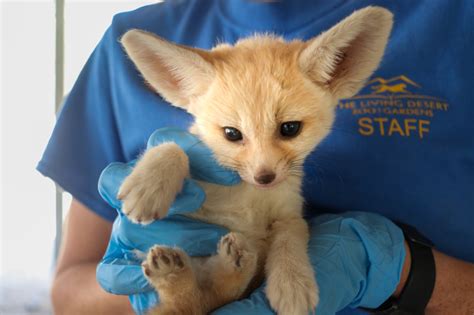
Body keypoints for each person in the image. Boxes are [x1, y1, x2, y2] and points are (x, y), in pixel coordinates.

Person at [37, 1, 474, 314]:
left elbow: (285, 223)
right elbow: (68, 297)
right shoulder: (125, 48)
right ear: (176, 85)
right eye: (233, 136)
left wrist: (400, 272)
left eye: (288, 131)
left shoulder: (458, 17)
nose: (264, 167)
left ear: (342, 68)